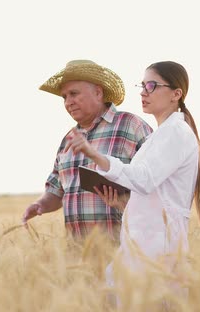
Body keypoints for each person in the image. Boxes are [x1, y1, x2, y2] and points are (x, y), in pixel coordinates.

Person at [64, 61, 200, 300]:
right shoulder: (161, 135)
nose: (143, 92)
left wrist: (94, 154)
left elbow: (144, 179)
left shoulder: (176, 132)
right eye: (142, 85)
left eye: (152, 85)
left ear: (176, 94)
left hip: (157, 254)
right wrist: (123, 203)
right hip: (141, 248)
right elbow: (154, 194)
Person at [21, 60, 153, 241]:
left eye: (74, 93)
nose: (68, 102)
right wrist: (39, 204)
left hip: (125, 253)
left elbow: (157, 184)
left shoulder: (131, 125)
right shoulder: (68, 140)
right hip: (77, 255)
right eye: (64, 97)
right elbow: (55, 190)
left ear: (98, 92)